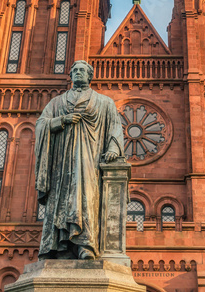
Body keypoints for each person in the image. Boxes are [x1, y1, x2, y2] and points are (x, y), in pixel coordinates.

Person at [35, 60, 124, 260]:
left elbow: (115, 129)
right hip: (61, 163)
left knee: (86, 200)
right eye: (74, 70)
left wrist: (112, 148)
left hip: (89, 163)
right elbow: (41, 124)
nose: (78, 73)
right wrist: (61, 120)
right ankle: (61, 246)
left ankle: (86, 246)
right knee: (60, 201)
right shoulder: (57, 103)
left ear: (90, 76)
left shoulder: (104, 102)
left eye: (82, 70)